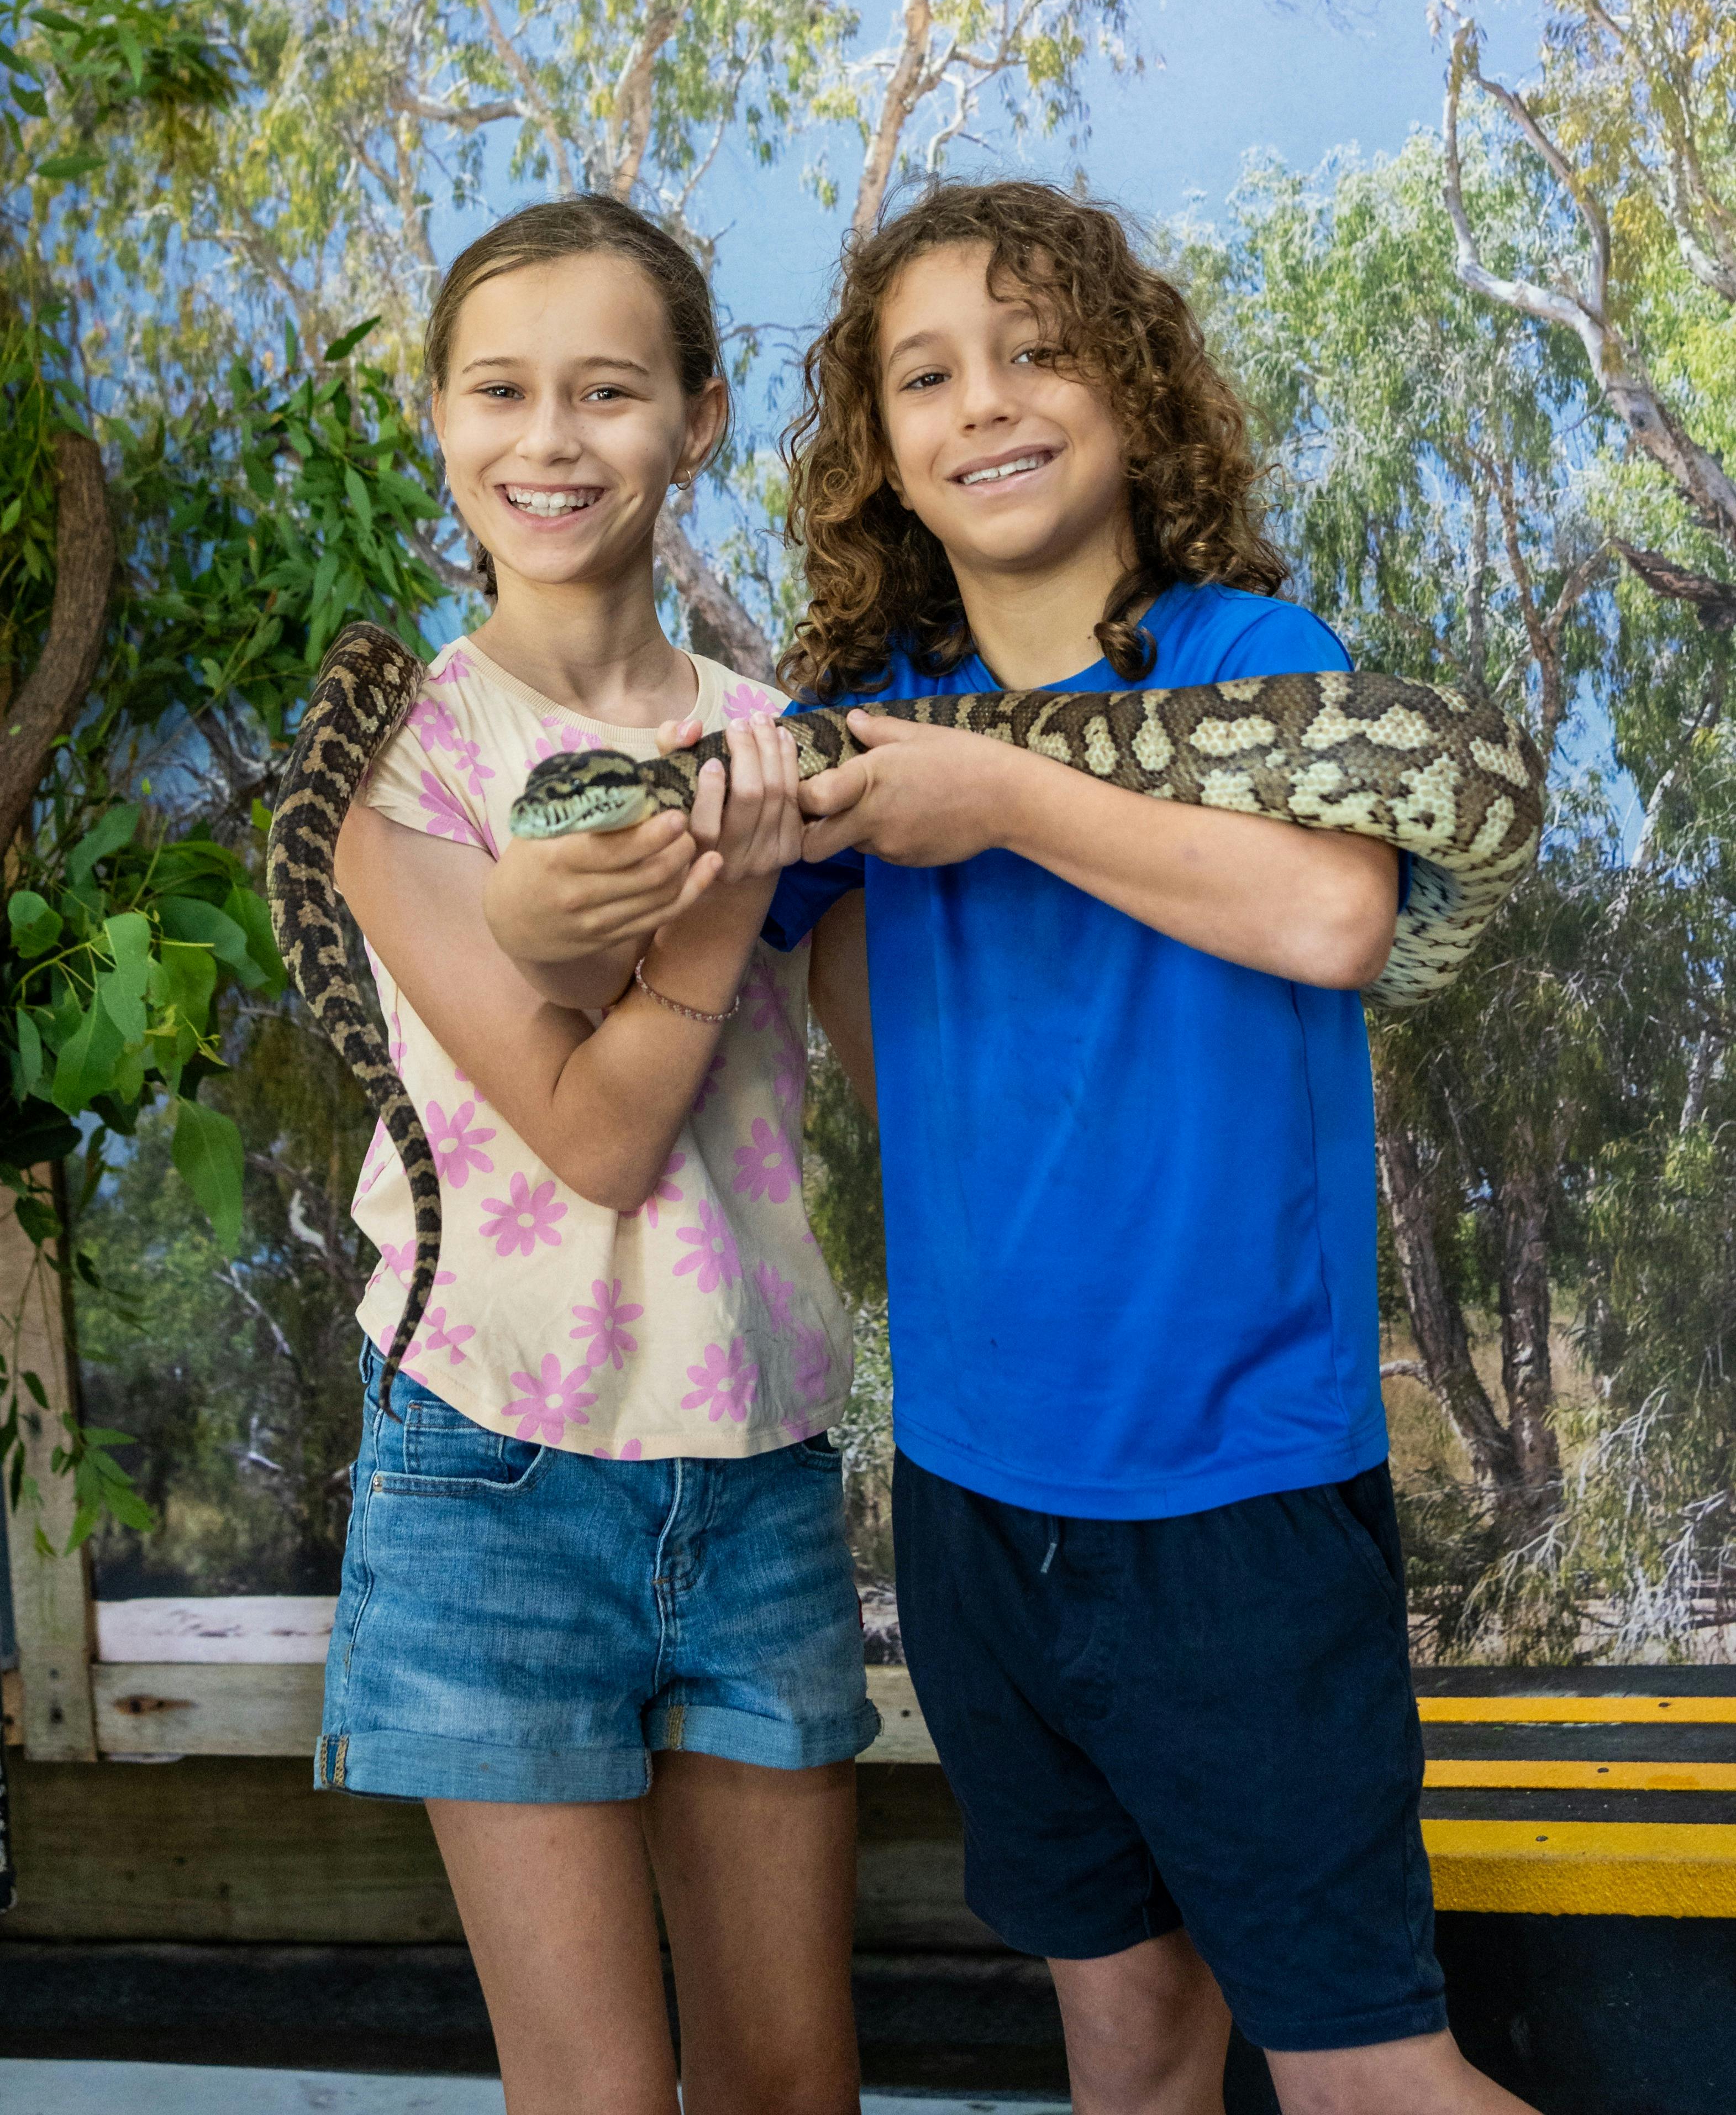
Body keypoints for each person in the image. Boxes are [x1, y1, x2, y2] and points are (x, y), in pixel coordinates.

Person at [487, 179, 1542, 2115]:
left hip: (1234, 1486)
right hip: (980, 1500)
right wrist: (587, 889)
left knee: (1369, 2077)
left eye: (1040, 350)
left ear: (1135, 397)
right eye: (929, 371)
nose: (988, 400)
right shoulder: (862, 733)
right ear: (879, 444)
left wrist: (1003, 790)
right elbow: (697, 988)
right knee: (1127, 2038)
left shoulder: (1246, 653)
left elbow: (1335, 922)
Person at [319, 195, 873, 2115]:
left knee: (792, 2086)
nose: (549, 439)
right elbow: (596, 1135)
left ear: (699, 417)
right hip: (492, 1465)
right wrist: (719, 905)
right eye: (502, 390)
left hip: (756, 1459)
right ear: (443, 421)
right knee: (596, 2102)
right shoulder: (389, 767)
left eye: (609, 390)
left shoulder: (797, 747)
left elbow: (887, 1054)